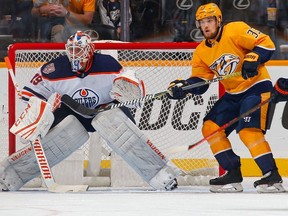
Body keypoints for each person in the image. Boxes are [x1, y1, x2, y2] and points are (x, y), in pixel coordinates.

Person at [0, 31, 179, 191]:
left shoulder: (107, 64)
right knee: (56, 140)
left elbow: (131, 90)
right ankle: (10, 175)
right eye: (72, 50)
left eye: (79, 50)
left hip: (106, 109)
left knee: (115, 127)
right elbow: (31, 93)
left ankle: (160, 174)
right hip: (72, 111)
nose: (75, 54)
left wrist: (129, 89)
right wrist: (37, 114)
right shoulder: (54, 68)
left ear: (90, 50)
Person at [166, 3, 285, 193]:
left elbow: (267, 44)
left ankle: (272, 176)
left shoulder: (235, 30)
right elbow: (202, 83)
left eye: (209, 21)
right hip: (233, 95)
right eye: (202, 22)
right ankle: (232, 173)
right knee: (210, 127)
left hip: (256, 88)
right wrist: (185, 87)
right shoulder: (201, 51)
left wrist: (254, 57)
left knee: (248, 131)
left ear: (218, 21)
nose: (206, 26)